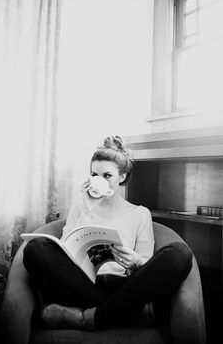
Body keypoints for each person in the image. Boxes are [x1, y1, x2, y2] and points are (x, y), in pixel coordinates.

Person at [23, 136, 193, 331]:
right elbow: (63, 254)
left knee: (180, 254)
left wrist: (136, 260)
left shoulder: (140, 213)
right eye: (94, 174)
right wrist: (89, 210)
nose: (99, 180)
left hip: (126, 285)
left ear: (121, 177)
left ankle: (89, 317)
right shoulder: (80, 209)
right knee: (35, 250)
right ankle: (129, 314)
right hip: (81, 284)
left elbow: (147, 263)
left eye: (107, 176)